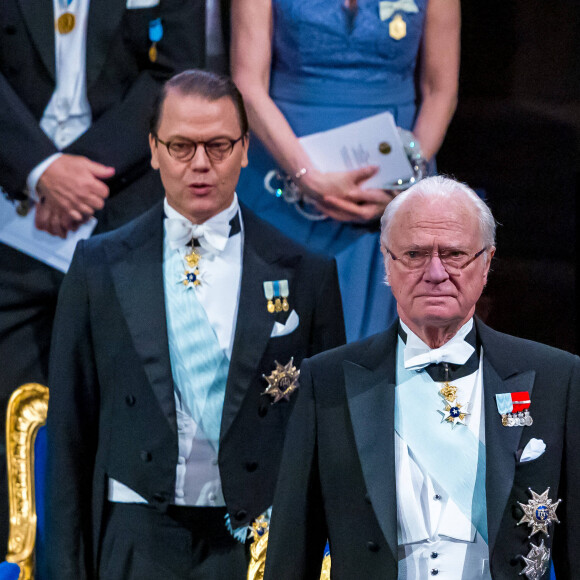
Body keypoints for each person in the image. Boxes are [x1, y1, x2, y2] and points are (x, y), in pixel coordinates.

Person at [45, 70, 345, 580]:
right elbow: (70, 432)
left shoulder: (307, 273)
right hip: (133, 530)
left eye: (219, 145)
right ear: (154, 149)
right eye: (181, 146)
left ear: (247, 149)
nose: (201, 164)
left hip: (255, 541)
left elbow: (328, 436)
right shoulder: (98, 266)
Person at [264, 175, 580, 579]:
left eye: (454, 254)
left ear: (486, 264)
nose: (435, 272)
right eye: (414, 254)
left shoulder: (557, 379)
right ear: (387, 263)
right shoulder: (325, 381)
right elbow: (292, 557)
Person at [0, 0, 205, 551]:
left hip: (120, 207)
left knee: (125, 419)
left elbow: (178, 74)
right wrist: (40, 170)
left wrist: (76, 177)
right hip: (7, 204)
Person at [231, 0, 460, 342]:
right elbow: (248, 83)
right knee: (276, 343)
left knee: (369, 356)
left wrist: (404, 182)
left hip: (392, 185)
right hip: (283, 172)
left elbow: (440, 90)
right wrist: (306, 175)